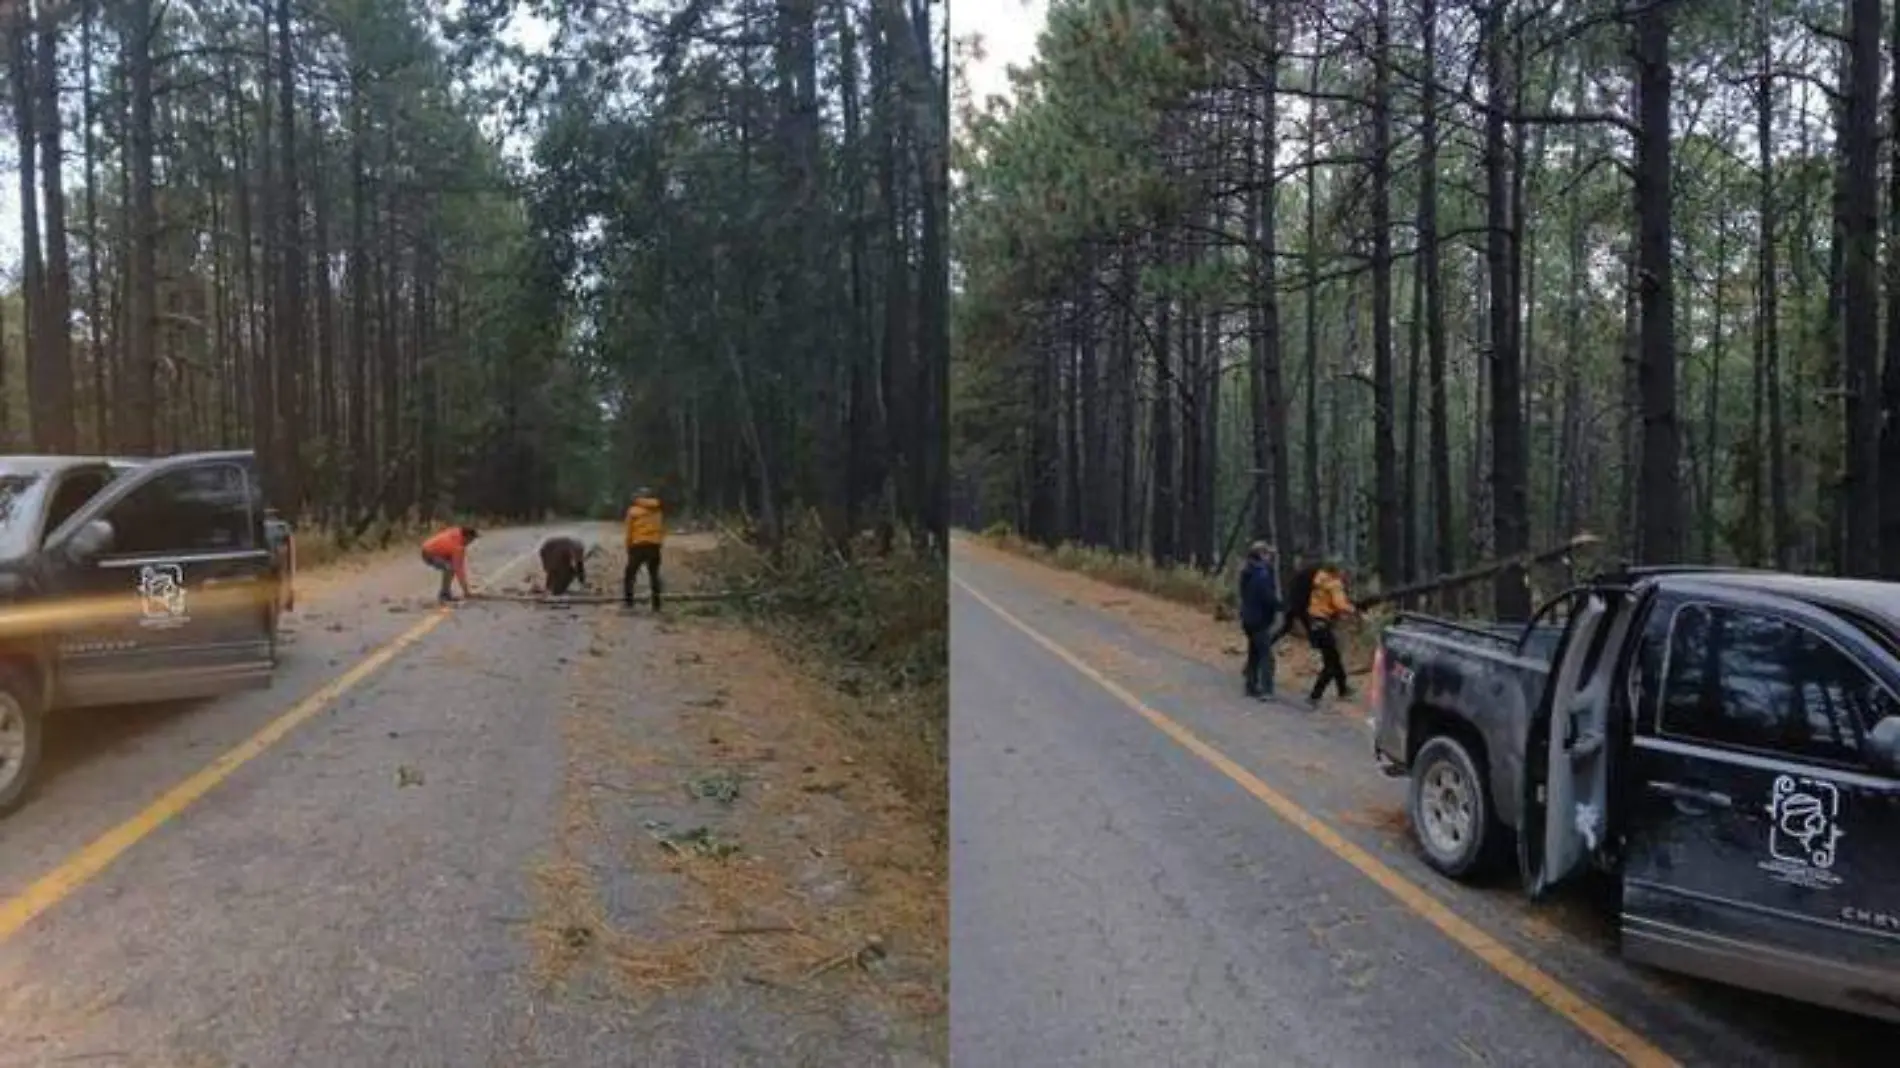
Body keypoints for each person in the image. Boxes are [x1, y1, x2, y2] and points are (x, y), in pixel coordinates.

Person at [1306, 558, 1357, 705]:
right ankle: (1315, 695)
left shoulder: (1319, 578)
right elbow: (1340, 604)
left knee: (1334, 658)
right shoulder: (1334, 584)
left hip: (1314, 621)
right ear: (1337, 570)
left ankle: (1343, 689)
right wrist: (1352, 609)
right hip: (1323, 623)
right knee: (1331, 663)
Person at [1237, 541, 1282, 700]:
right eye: (1267, 554)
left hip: (1248, 618)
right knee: (1266, 656)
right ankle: (1267, 690)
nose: (1270, 557)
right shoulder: (1261, 574)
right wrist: (1279, 606)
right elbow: (1266, 597)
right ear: (1261, 555)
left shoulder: (1246, 571)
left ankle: (1250, 685)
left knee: (1254, 653)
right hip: (1259, 619)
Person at [623, 489, 665, 610]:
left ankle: (628, 602)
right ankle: (656, 605)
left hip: (638, 545)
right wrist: (659, 543)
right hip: (654, 545)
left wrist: (628, 546)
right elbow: (661, 528)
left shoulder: (633, 511)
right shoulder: (657, 510)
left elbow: (629, 531)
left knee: (629, 575)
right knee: (654, 575)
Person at [421, 525, 479, 604]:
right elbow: (459, 570)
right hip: (429, 553)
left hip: (433, 549)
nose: (471, 542)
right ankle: (444, 594)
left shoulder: (456, 533)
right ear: (467, 537)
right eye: (471, 540)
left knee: (451, 566)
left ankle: (445, 592)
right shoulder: (458, 546)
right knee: (449, 568)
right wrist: (466, 592)